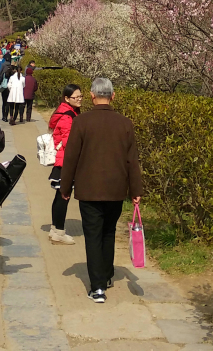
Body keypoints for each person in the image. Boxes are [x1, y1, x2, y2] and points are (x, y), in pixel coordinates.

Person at [60, 78, 143, 304]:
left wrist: (64, 187)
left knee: (93, 235)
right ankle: (106, 275)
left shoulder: (82, 122)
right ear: (113, 96)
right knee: (108, 232)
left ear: (92, 96)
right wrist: (136, 189)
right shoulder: (125, 123)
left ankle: (97, 287)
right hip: (116, 189)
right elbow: (132, 161)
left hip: (89, 189)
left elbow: (71, 157)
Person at [47, 84, 81, 245]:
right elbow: (68, 142)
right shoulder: (67, 116)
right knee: (63, 196)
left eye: (81, 96)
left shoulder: (68, 112)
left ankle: (55, 229)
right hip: (65, 161)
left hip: (63, 160)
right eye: (76, 97)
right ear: (67, 98)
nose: (79, 99)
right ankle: (59, 231)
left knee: (60, 196)